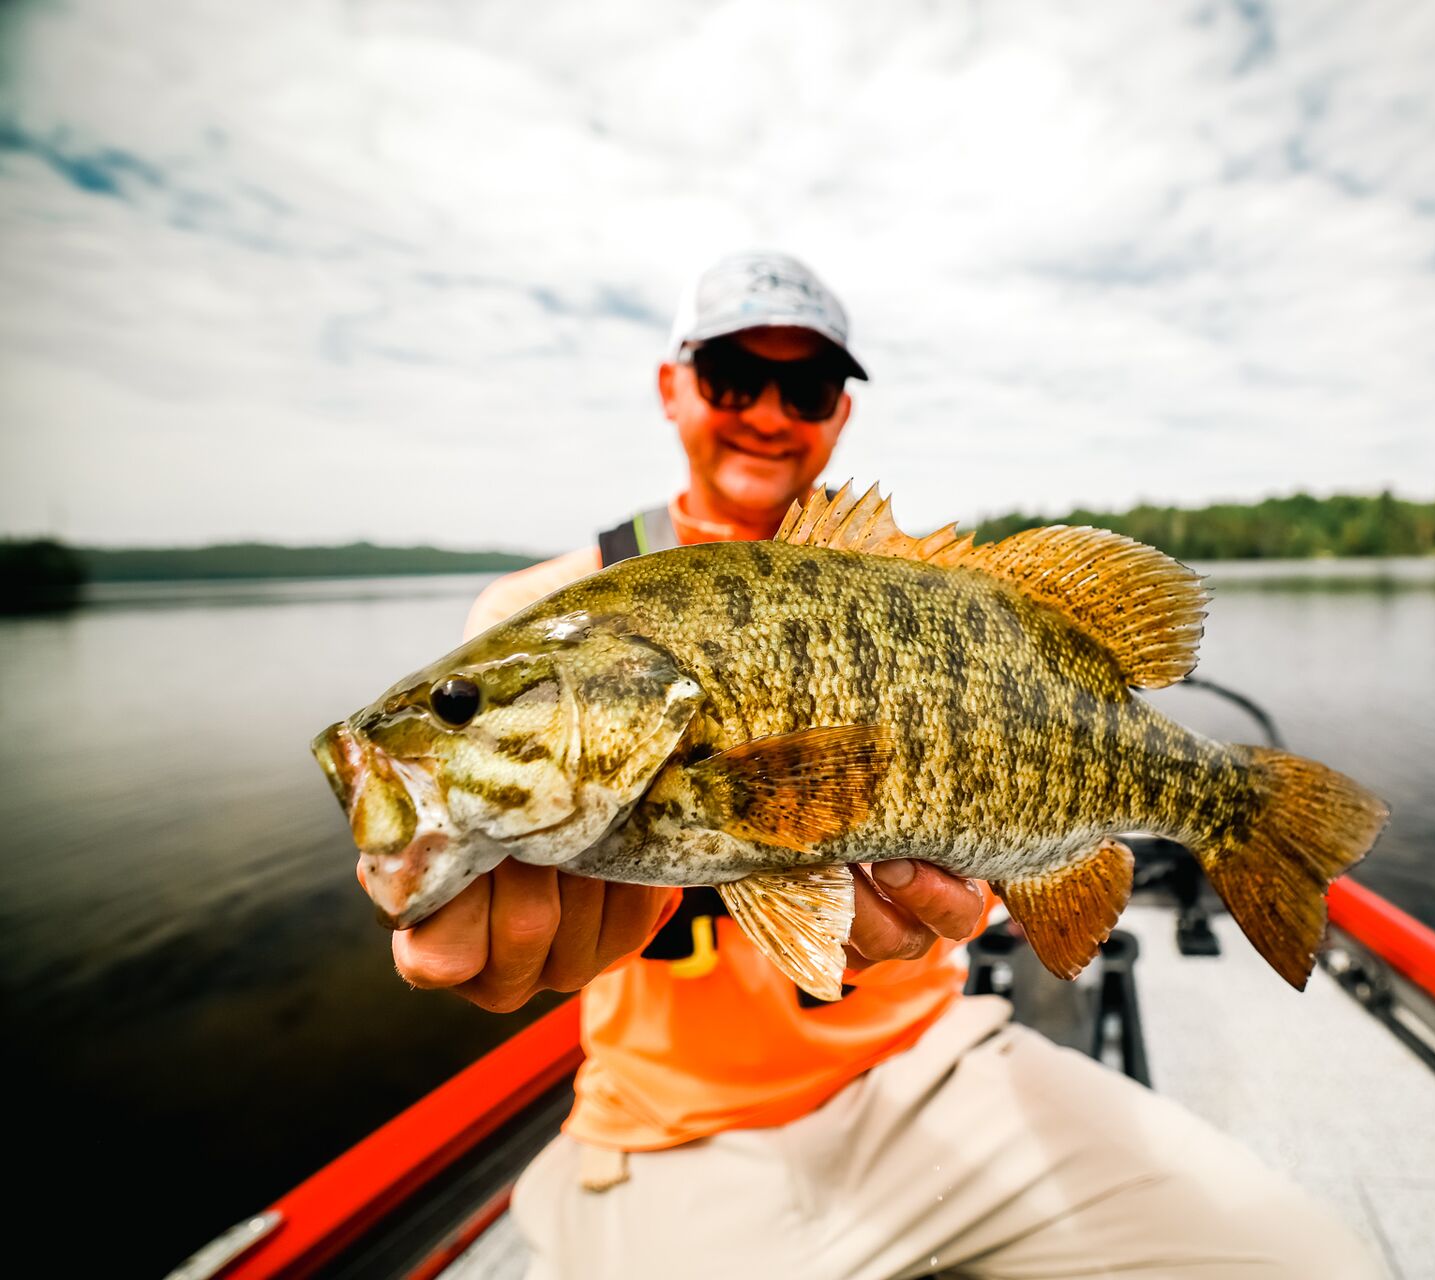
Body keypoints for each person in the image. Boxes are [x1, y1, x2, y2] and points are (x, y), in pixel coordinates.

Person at [392, 250, 1380, 1279]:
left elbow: (983, 865)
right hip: (676, 1124)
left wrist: (987, 891)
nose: (770, 413)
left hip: (933, 1063)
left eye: (808, 386)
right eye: (734, 376)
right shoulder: (546, 619)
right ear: (671, 386)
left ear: (841, 413)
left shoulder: (934, 579)